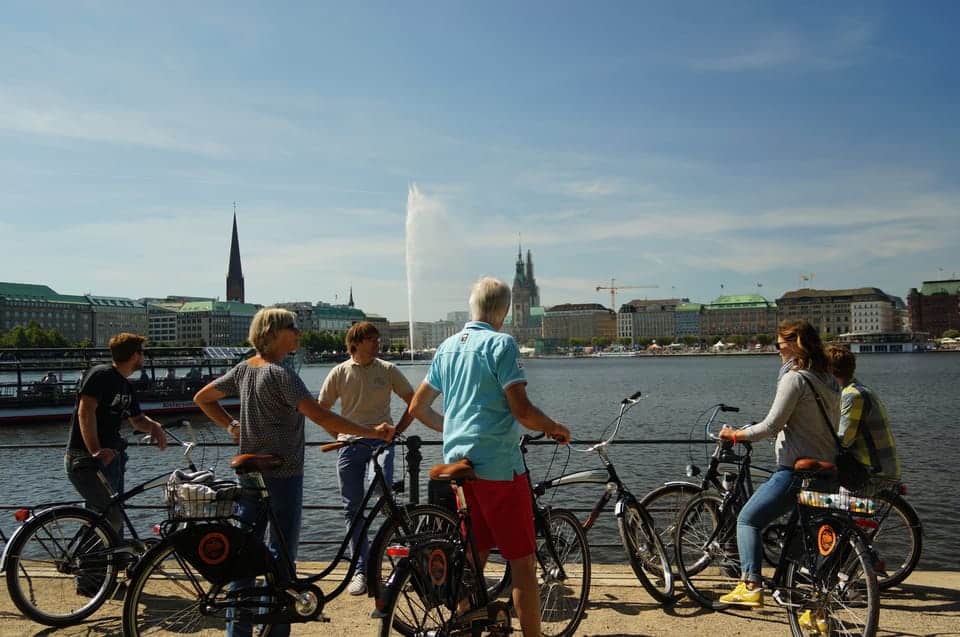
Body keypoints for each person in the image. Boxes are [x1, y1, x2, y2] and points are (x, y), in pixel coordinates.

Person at [193, 308, 394, 637]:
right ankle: (275, 631)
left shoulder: (244, 369)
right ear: (273, 333)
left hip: (249, 474)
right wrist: (373, 432)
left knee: (245, 555)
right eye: (293, 327)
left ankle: (238, 632)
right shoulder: (282, 375)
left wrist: (231, 425)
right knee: (281, 557)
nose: (299, 332)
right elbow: (323, 418)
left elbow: (203, 397)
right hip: (283, 473)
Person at [408, 277, 570, 637]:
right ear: (505, 311)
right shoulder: (502, 345)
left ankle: (464, 625)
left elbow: (418, 407)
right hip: (499, 468)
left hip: (461, 468)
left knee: (473, 557)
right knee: (523, 564)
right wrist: (555, 426)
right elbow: (523, 411)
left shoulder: (447, 347)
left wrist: (452, 429)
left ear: (472, 307)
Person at [716, 319, 839, 612]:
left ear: (796, 345)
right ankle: (811, 607)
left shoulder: (795, 379)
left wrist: (735, 434)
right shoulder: (829, 379)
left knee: (748, 520)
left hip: (797, 471)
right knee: (807, 539)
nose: (778, 350)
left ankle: (750, 585)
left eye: (780, 344)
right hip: (828, 470)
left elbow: (771, 426)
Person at [318, 321, 443, 595]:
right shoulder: (339, 372)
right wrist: (338, 434)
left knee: (384, 498)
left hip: (381, 444)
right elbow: (322, 409)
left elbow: (414, 402)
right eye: (372, 339)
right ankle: (361, 570)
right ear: (356, 343)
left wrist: (398, 431)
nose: (378, 343)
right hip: (350, 446)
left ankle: (403, 565)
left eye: (377, 339)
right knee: (353, 509)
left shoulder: (387, 370)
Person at [65, 333, 168, 536]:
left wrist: (154, 426)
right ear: (135, 356)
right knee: (108, 518)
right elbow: (85, 411)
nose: (144, 358)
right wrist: (95, 450)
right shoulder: (100, 375)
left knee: (109, 517)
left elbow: (137, 419)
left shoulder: (126, 385)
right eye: (143, 353)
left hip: (112, 458)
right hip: (87, 459)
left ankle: (110, 563)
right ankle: (91, 565)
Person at [825, 345, 901, 483]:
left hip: (874, 473)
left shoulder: (853, 396)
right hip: (868, 468)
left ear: (829, 370)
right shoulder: (851, 390)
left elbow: (843, 440)